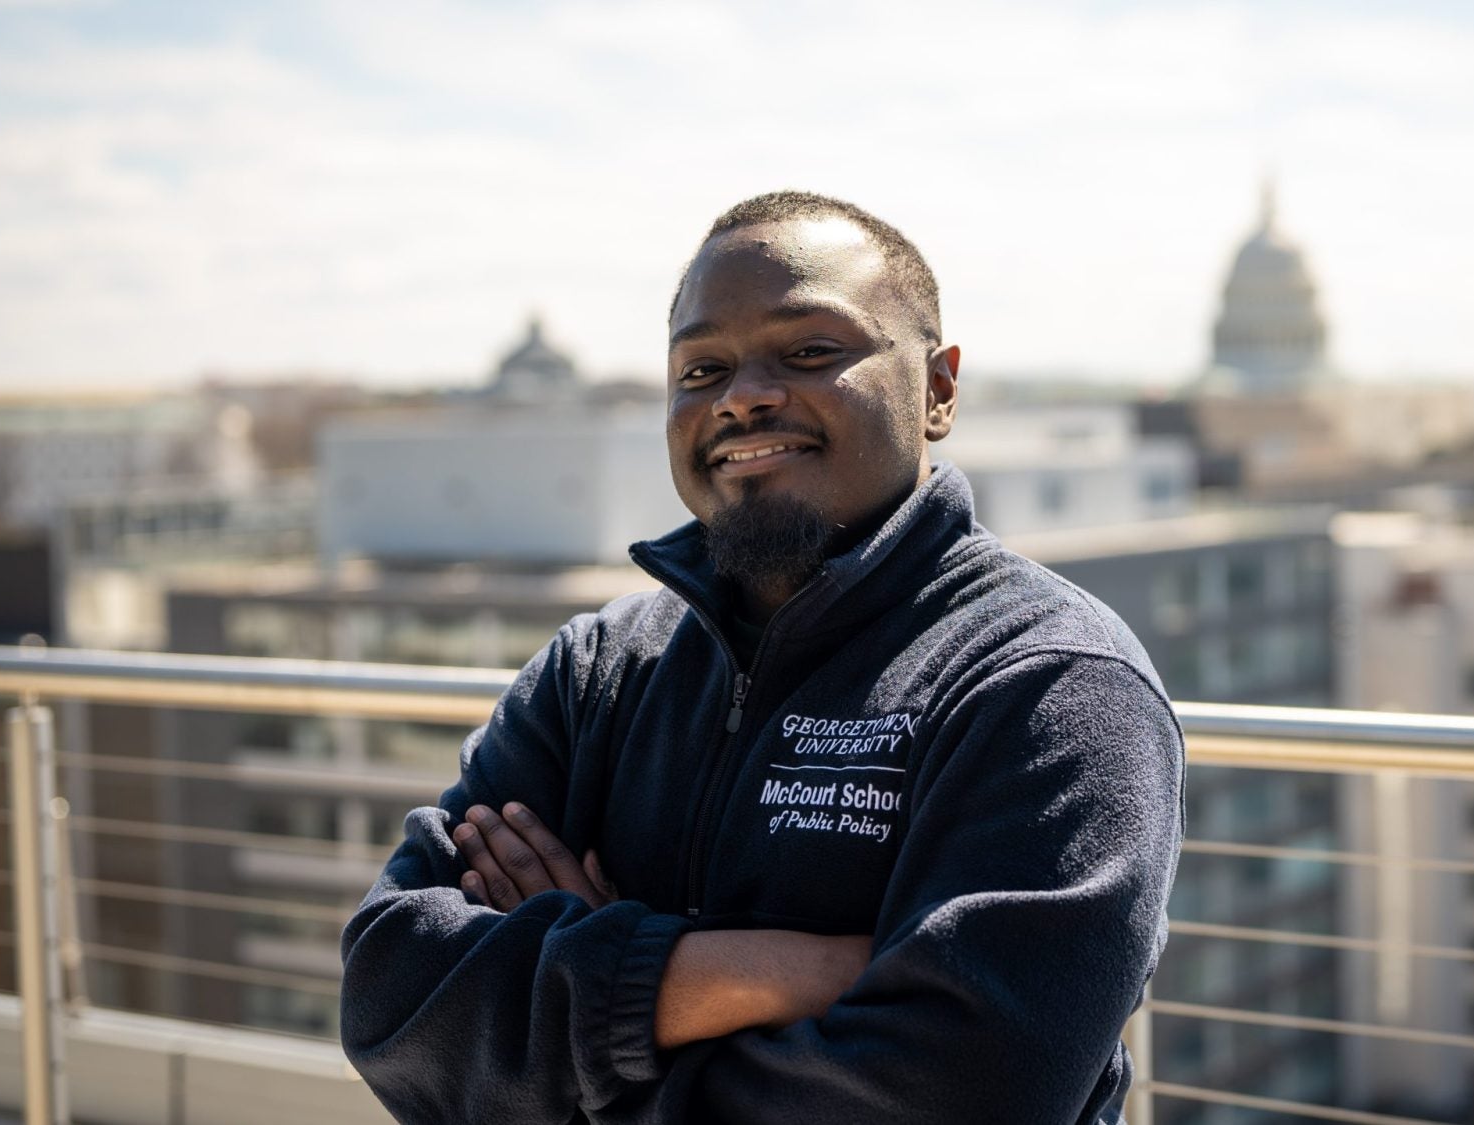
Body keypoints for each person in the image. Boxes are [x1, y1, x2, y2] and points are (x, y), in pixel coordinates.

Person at [339, 191, 1185, 1124]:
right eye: (702, 368)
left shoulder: (1046, 684)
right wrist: (762, 972)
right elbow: (392, 995)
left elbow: (966, 1089)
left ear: (938, 389)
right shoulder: (598, 670)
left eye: (811, 351)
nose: (742, 395)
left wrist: (583, 1035)